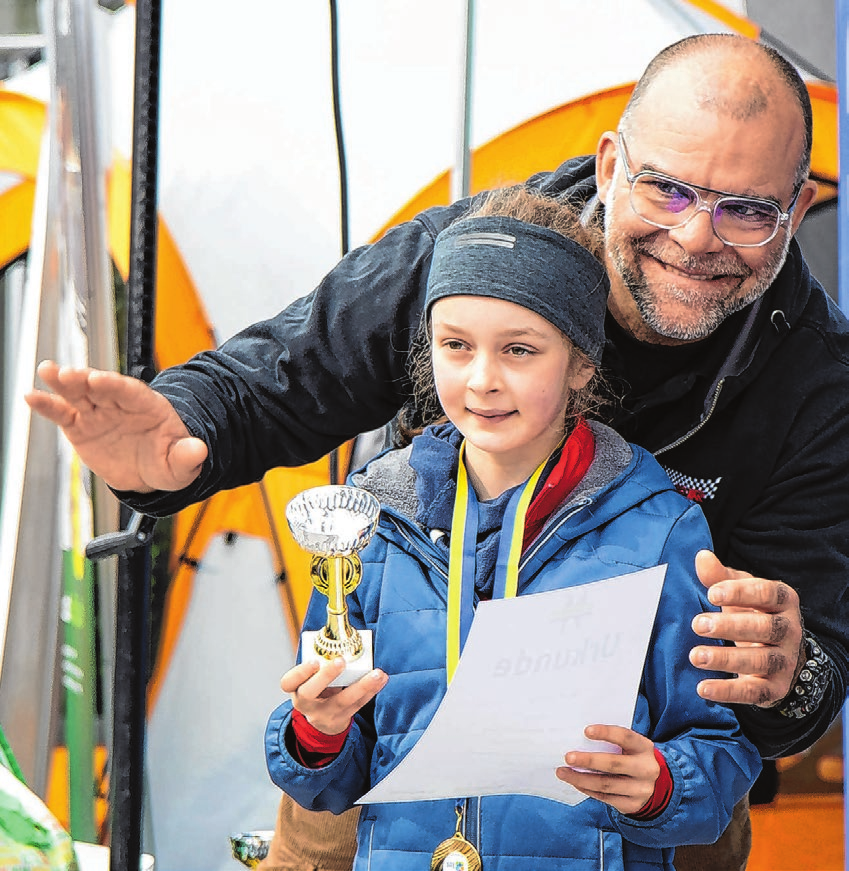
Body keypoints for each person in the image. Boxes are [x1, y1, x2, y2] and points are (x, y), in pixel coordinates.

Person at [24, 32, 849, 871]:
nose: (697, 235)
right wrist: (180, 428)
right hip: (388, 766)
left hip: (644, 797)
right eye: (667, 189)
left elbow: (814, 663)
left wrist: (790, 673)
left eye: (746, 209)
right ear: (609, 164)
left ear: (794, 206)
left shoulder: (818, 379)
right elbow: (286, 372)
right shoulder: (473, 253)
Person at [265, 185, 761, 871]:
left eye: (520, 350)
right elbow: (329, 781)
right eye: (456, 345)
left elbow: (722, 750)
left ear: (581, 361)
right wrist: (316, 732)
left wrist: (661, 785)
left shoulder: (660, 530)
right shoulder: (370, 523)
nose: (482, 379)